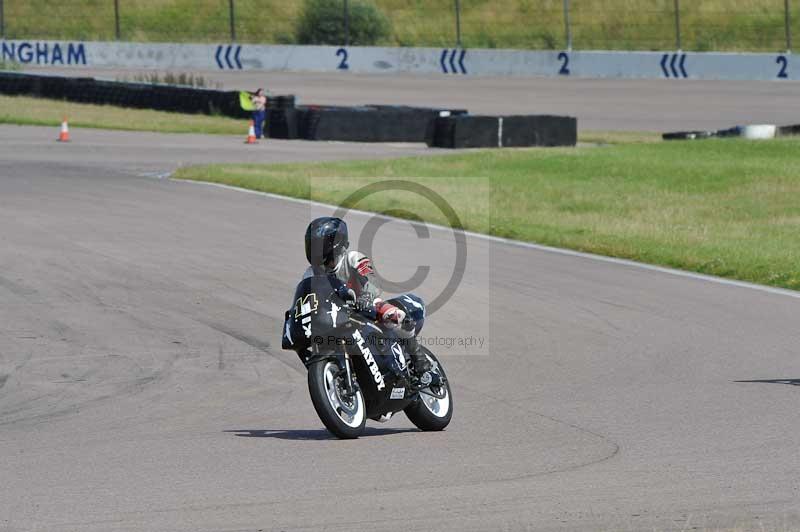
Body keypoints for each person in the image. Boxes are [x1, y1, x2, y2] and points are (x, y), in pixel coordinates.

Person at [301, 216, 433, 381]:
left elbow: (371, 279)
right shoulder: (310, 273)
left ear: (338, 246)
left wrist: (367, 296)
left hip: (364, 306)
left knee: (395, 316)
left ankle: (418, 358)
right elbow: (305, 296)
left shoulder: (352, 258)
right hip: (333, 315)